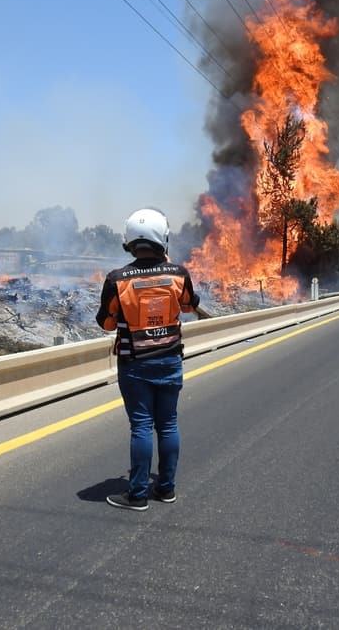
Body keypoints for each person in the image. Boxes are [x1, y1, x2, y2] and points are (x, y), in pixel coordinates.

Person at [96, 207, 202, 511]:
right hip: (170, 360)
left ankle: (138, 494)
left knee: (141, 426)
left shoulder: (117, 279)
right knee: (168, 424)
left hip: (135, 365)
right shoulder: (178, 274)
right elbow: (189, 307)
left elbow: (105, 323)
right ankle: (166, 489)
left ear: (129, 241)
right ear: (163, 240)